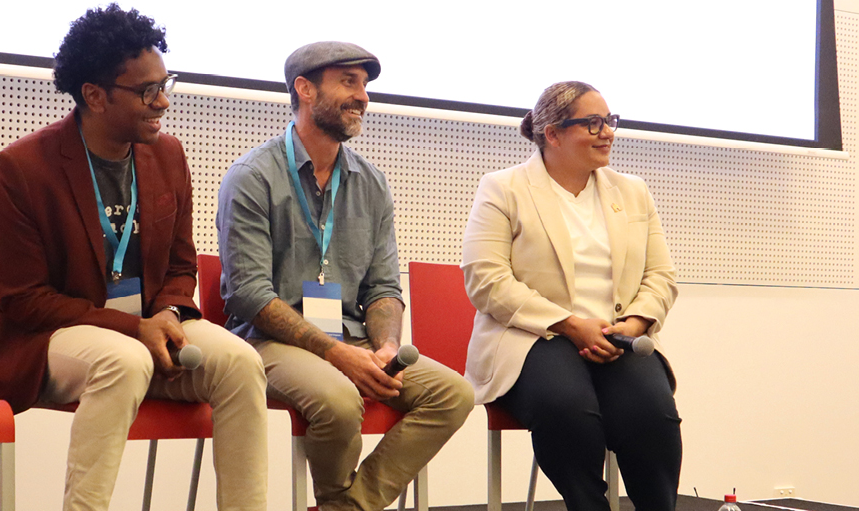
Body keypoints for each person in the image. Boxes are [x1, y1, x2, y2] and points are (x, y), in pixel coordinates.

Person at [0, 5, 267, 510]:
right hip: (51, 339)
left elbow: (181, 265)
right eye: (146, 91)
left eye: (166, 84)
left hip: (151, 324)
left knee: (241, 362)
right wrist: (134, 329)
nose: (163, 102)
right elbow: (25, 301)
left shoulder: (168, 155)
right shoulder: (19, 169)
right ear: (94, 95)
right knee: (124, 360)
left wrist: (168, 313)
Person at [217, 41, 474, 511]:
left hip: (351, 338)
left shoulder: (370, 182)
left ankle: (345, 507)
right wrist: (337, 354)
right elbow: (248, 294)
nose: (363, 97)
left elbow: (383, 288)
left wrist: (386, 349)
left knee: (452, 394)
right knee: (337, 399)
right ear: (305, 90)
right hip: (270, 342)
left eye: (366, 86)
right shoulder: (252, 175)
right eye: (348, 82)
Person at [461, 81, 682, 511]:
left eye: (610, 121)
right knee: (566, 407)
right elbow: (485, 279)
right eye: (593, 123)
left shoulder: (632, 191)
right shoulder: (503, 188)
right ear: (553, 133)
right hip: (534, 337)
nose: (608, 133)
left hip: (618, 336)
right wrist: (569, 324)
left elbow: (661, 275)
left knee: (652, 414)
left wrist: (636, 322)